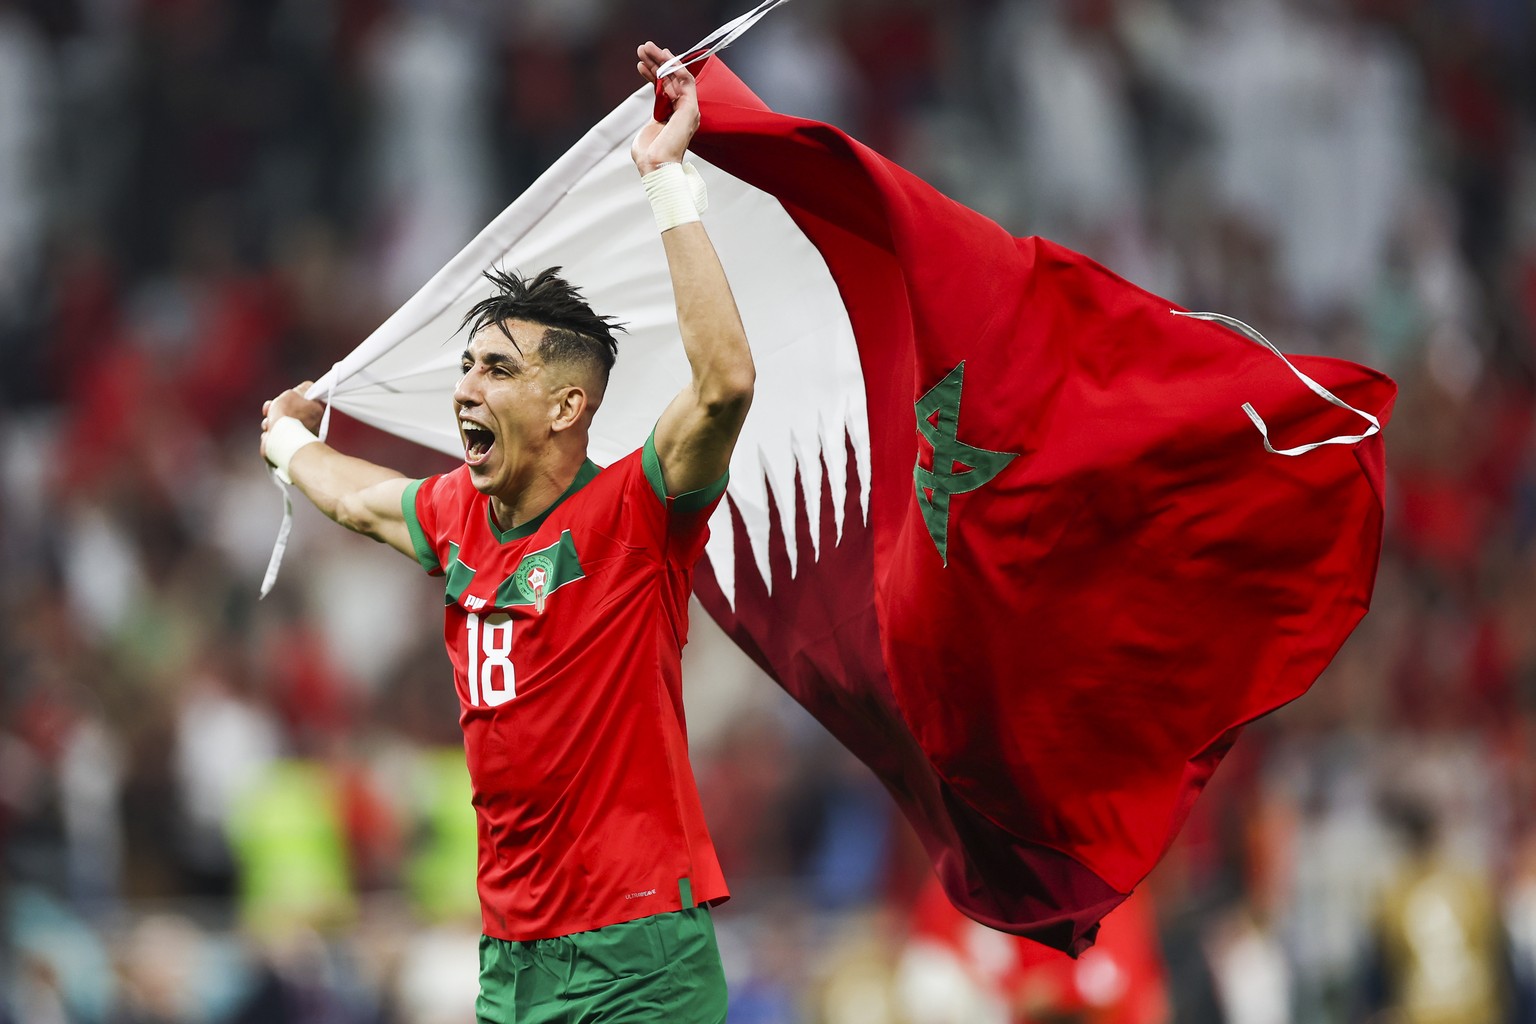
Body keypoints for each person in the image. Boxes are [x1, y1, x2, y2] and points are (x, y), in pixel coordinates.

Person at [257, 42, 751, 1023]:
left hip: (638, 952)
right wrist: (283, 443)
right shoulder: (458, 518)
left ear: (566, 406)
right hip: (509, 963)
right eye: (466, 366)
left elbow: (726, 383)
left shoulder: (635, 512)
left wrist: (666, 185)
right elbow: (360, 499)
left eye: (494, 369)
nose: (465, 388)